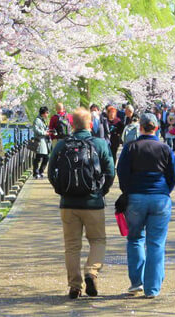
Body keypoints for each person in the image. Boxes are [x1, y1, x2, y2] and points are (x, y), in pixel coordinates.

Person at [48, 107, 115, 299]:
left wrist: (60, 190)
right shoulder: (100, 144)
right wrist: (102, 191)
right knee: (98, 240)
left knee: (71, 246)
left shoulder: (62, 144)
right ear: (90, 124)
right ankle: (91, 271)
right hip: (93, 202)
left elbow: (51, 171)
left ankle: (74, 286)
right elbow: (110, 171)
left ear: (71, 125)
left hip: (68, 204)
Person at [116, 113, 175, 299]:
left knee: (135, 239)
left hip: (136, 197)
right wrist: (165, 190)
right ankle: (152, 288)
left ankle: (136, 283)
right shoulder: (165, 148)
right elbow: (173, 175)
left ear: (140, 128)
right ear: (157, 128)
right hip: (159, 197)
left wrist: (127, 191)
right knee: (156, 243)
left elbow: (122, 172)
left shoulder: (130, 147)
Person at [32, 106, 51, 178]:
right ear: (43, 113)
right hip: (39, 141)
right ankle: (36, 172)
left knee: (45, 157)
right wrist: (44, 133)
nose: (47, 114)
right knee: (39, 157)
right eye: (47, 113)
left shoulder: (42, 120)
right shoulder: (37, 120)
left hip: (44, 141)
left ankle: (40, 171)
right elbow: (35, 130)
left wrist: (48, 131)